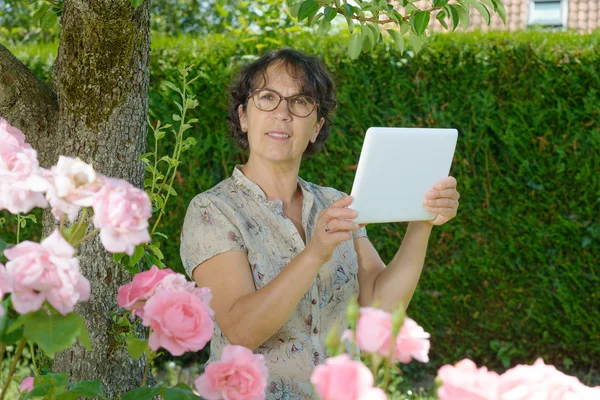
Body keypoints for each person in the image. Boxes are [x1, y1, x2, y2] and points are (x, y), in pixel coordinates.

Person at [180, 49, 459, 399]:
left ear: (316, 126)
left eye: (300, 102)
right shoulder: (213, 210)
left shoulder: (336, 204)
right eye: (267, 98)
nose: (282, 113)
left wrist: (423, 221)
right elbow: (241, 331)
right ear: (244, 116)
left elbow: (380, 309)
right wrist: (314, 253)